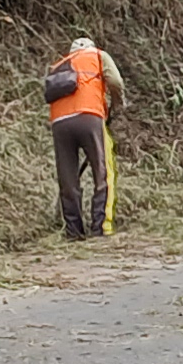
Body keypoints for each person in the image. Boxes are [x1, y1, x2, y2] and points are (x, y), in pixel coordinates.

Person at [44, 33, 124, 240]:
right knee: (103, 172)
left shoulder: (58, 65)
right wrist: (117, 104)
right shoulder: (97, 55)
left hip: (60, 123)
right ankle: (100, 228)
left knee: (68, 178)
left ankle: (74, 232)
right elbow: (115, 81)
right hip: (89, 117)